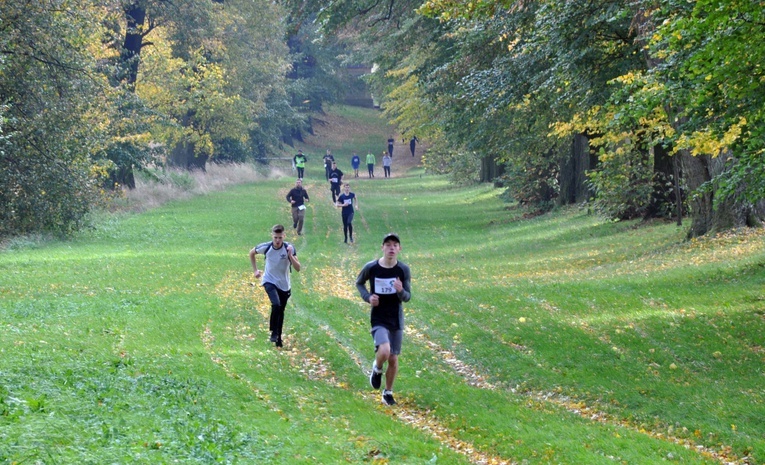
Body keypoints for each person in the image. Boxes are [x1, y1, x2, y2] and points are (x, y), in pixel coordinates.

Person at [355, 233, 411, 406]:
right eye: (388, 245)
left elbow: (408, 297)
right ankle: (377, 369)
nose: (391, 248)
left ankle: (388, 392)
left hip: (396, 319)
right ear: (382, 247)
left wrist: (400, 290)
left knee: (393, 359)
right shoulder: (372, 267)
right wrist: (368, 297)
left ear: (399, 249)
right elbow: (359, 283)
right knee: (385, 351)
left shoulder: (403, 270)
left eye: (395, 245)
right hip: (378, 317)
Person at [249, 224, 302, 348]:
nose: (277, 241)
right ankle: (273, 331)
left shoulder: (289, 248)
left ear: (284, 236)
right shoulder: (266, 247)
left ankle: (278, 337)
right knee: (276, 304)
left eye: (280, 238)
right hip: (269, 280)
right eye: (275, 238)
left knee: (281, 311)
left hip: (284, 284)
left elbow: (298, 268)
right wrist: (255, 271)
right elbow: (251, 253)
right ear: (272, 236)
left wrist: (290, 255)